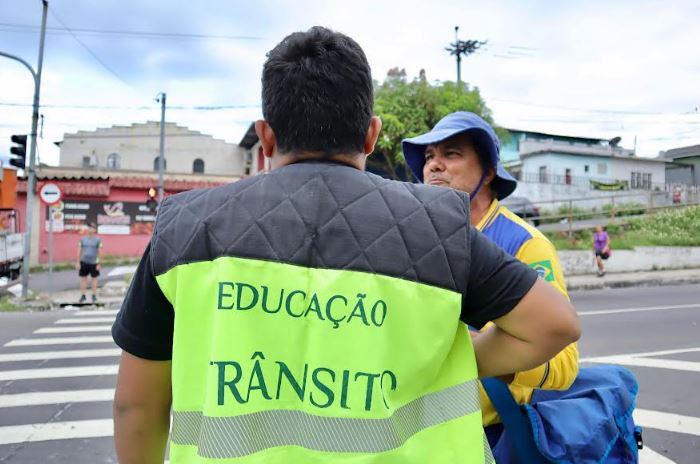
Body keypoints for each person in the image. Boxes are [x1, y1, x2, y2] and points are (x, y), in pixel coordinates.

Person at [112, 27, 579, 464]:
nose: (436, 165)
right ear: (371, 135)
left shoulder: (184, 226)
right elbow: (554, 326)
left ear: (266, 137)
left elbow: (136, 408)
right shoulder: (437, 228)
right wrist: (447, 361)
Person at [402, 111, 579, 442]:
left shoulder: (526, 244)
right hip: (422, 433)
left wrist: (491, 355)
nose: (434, 165)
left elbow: (565, 363)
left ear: (488, 172)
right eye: (428, 156)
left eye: (451, 153)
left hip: (490, 437)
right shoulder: (412, 237)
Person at [76, 223, 102, 303]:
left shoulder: (98, 240)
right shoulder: (83, 239)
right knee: (83, 279)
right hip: (84, 262)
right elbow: (79, 250)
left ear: (94, 230)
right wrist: (78, 262)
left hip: (94, 263)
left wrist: (99, 263)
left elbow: (100, 252)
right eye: (89, 228)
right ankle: (83, 295)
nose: (90, 229)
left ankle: (94, 295)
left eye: (92, 228)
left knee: (94, 279)